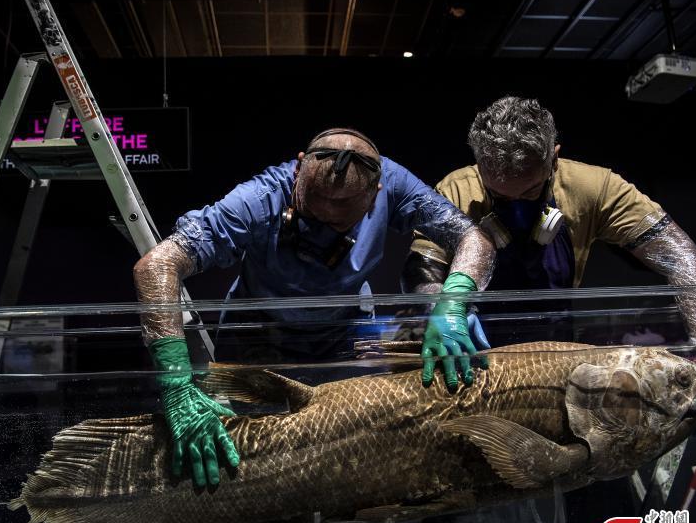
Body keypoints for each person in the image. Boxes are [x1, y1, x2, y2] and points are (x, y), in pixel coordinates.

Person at [133, 127, 495, 489]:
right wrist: (175, 382)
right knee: (248, 467)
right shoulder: (259, 199)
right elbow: (157, 265)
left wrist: (454, 304)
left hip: (342, 335)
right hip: (257, 337)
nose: (323, 224)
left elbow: (473, 239)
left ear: (375, 194)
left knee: (344, 459)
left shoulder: (395, 183)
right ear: (298, 169)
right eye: (312, 209)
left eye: (339, 221)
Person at [402, 96, 696, 428]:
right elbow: (422, 266)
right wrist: (443, 310)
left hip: (556, 352)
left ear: (554, 158)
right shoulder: (456, 190)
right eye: (500, 196)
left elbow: (680, 258)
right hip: (469, 352)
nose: (515, 206)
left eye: (530, 191)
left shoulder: (593, 187)